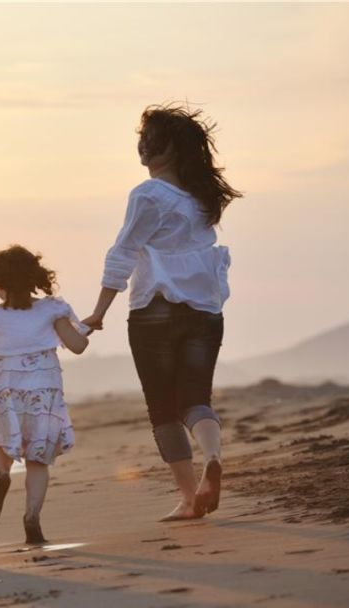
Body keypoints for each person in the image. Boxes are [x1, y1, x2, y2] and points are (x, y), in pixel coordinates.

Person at [81, 104, 242, 521]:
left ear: (170, 147)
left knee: (162, 409)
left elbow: (123, 252)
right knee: (196, 399)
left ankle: (189, 499)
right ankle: (213, 456)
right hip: (204, 310)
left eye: (150, 139)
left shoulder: (148, 194)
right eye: (142, 138)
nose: (143, 146)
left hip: (155, 309)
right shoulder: (201, 198)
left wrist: (98, 312)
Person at [0, 245, 90, 544]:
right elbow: (77, 346)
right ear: (35, 277)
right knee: (38, 458)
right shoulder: (52, 309)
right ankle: (32, 518)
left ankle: (3, 476)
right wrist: (86, 327)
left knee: (0, 441)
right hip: (43, 388)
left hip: (4, 388)